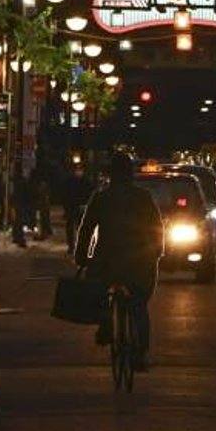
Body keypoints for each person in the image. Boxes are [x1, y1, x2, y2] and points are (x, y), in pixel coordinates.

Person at [74, 150, 164, 371]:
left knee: (99, 291)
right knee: (139, 306)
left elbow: (87, 229)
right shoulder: (143, 197)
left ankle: (105, 324)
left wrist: (82, 257)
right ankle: (140, 353)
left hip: (107, 260)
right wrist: (156, 252)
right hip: (140, 261)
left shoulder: (101, 197)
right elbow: (157, 228)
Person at [61, 160, 95, 255]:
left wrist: (86, 205)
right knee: (70, 227)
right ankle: (71, 246)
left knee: (80, 228)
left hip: (82, 207)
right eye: (77, 169)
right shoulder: (69, 181)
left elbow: (90, 194)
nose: (78, 172)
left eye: (80, 169)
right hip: (71, 207)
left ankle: (80, 246)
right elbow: (65, 194)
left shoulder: (86, 181)